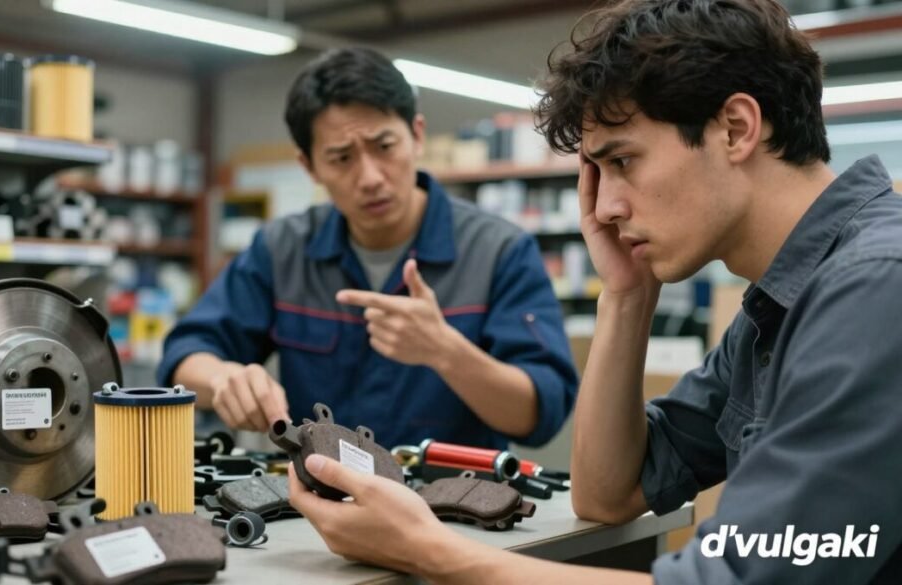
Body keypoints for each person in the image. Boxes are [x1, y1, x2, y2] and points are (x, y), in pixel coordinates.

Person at [288, 0, 902, 583]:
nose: (604, 209)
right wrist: (627, 295)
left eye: (624, 162)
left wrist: (429, 552)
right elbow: (610, 493)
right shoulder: (780, 305)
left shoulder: (874, 290)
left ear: (736, 129)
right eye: (596, 175)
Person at [158, 47, 578, 450]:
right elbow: (184, 356)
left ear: (416, 135)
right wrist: (223, 380)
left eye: (384, 147)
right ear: (310, 167)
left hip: (451, 511)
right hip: (318, 505)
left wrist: (446, 351)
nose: (371, 176)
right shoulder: (281, 250)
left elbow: (541, 413)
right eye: (342, 158)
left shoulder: (499, 252)